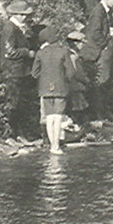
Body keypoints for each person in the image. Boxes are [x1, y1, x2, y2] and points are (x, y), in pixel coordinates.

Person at [31, 25, 74, 155]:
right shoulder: (63, 51)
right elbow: (71, 72)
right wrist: (65, 80)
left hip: (44, 88)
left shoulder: (40, 53)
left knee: (49, 117)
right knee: (58, 116)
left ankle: (52, 146)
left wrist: (44, 79)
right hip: (61, 87)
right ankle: (56, 146)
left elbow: (34, 73)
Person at [1, 0, 36, 138]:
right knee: (13, 103)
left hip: (19, 70)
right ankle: (9, 135)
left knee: (18, 103)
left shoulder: (17, 27)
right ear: (17, 14)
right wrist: (27, 52)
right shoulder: (10, 27)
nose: (26, 17)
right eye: (24, 15)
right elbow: (9, 52)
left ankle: (18, 134)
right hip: (13, 70)